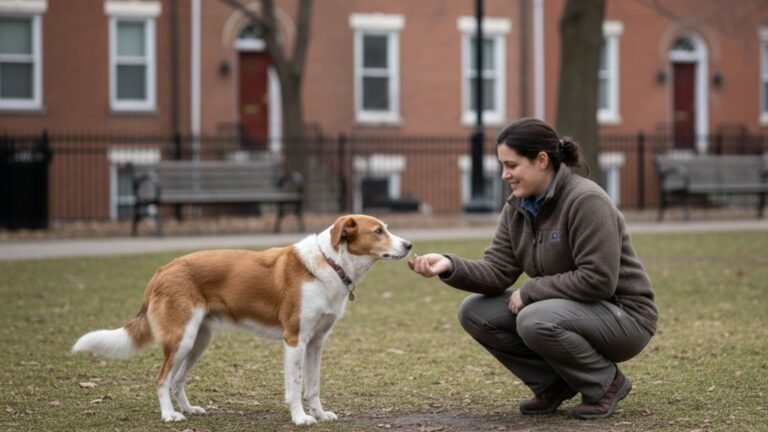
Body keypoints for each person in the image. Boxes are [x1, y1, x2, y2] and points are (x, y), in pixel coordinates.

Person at [409, 118, 658, 419]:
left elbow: (599, 280)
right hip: (572, 312)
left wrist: (531, 291)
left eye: (512, 165)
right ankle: (554, 383)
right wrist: (450, 265)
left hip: (624, 318)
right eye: (502, 165)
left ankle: (606, 384)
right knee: (475, 311)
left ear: (541, 160)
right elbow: (498, 270)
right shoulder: (517, 206)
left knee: (534, 317)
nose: (504, 175)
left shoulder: (586, 201)